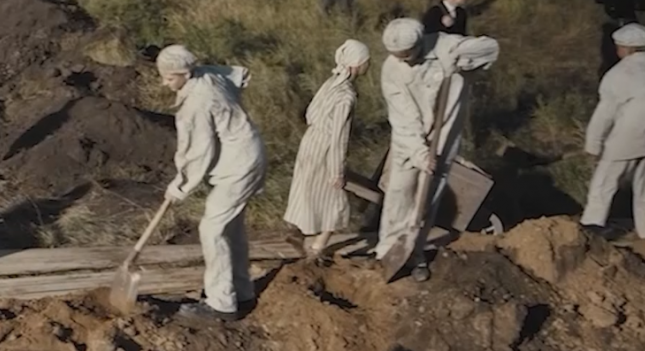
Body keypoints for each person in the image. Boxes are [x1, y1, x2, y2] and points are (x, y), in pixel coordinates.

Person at [373, 19, 500, 264]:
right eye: (396, 55)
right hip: (408, 141)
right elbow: (403, 117)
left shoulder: (447, 46)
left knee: (429, 196)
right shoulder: (392, 69)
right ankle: (387, 251)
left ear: (420, 44)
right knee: (399, 193)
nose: (401, 59)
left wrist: (461, 56)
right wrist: (420, 154)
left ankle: (416, 251)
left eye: (405, 55)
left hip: (444, 138)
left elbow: (491, 49)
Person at [155, 45, 267, 322]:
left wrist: (179, 186)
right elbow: (238, 75)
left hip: (239, 164)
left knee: (211, 229)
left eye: (169, 78)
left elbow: (197, 151)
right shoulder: (207, 75)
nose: (164, 83)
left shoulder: (198, 102)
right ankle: (242, 291)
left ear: (183, 73)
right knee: (232, 227)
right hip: (249, 153)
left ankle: (220, 303)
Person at [283, 39, 370, 262]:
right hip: (325, 147)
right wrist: (336, 171)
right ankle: (318, 246)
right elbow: (339, 136)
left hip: (310, 141)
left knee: (306, 190)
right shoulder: (346, 96)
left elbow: (310, 112)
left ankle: (297, 230)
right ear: (356, 64)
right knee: (335, 199)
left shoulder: (331, 83)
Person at [580, 23, 645, 241]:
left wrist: (593, 144)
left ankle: (592, 225)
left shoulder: (619, 73)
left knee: (604, 182)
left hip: (627, 137)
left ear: (625, 48)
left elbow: (605, 114)